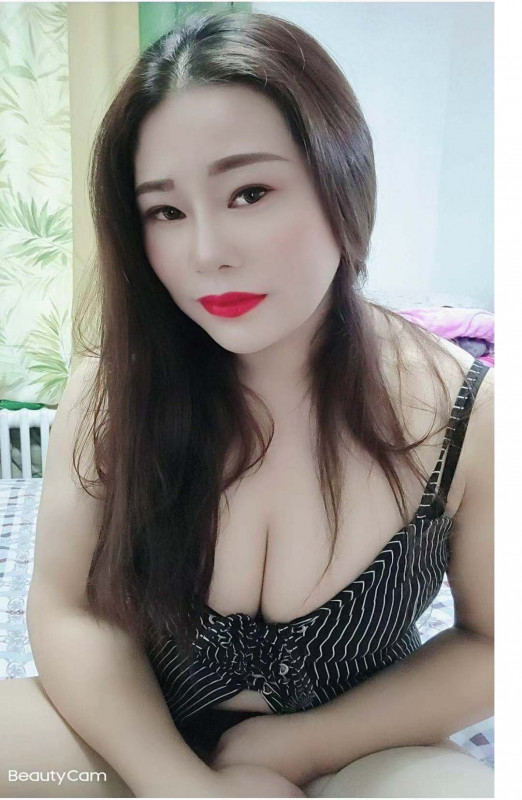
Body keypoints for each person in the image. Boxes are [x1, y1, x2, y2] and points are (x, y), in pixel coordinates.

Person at [1, 10, 493, 798]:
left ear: (342, 179)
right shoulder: (110, 389)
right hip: (135, 735)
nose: (206, 253)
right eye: (166, 211)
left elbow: (494, 643)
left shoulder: (468, 414)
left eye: (250, 192)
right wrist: (181, 786)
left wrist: (297, 750)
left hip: (356, 746)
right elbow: (68, 610)